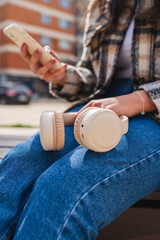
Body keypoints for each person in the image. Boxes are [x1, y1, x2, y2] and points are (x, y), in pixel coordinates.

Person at [1, 0, 160, 239]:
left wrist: (141, 99)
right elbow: (92, 78)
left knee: (63, 187)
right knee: (16, 167)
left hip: (154, 117)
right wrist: (62, 75)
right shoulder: (102, 7)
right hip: (101, 105)